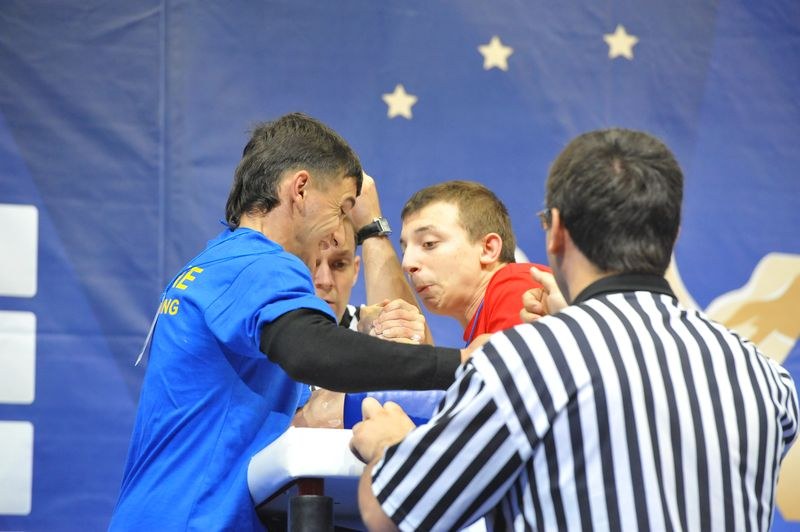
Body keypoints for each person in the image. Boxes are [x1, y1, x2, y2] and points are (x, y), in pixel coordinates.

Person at [350, 128, 799, 531]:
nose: (412, 262)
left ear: (555, 232)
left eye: (429, 244)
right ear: (673, 235)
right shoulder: (767, 377)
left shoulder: (521, 360)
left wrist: (393, 446)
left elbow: (391, 509)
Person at [109, 113, 465, 531]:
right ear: (300, 190)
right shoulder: (261, 262)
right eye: (341, 209)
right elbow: (315, 351)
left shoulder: (220, 261)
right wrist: (463, 365)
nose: (336, 234)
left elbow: (313, 409)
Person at [400, 180, 549, 345]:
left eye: (429, 243)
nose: (407, 263)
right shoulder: (479, 332)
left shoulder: (518, 285)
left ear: (488, 249)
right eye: (404, 250)